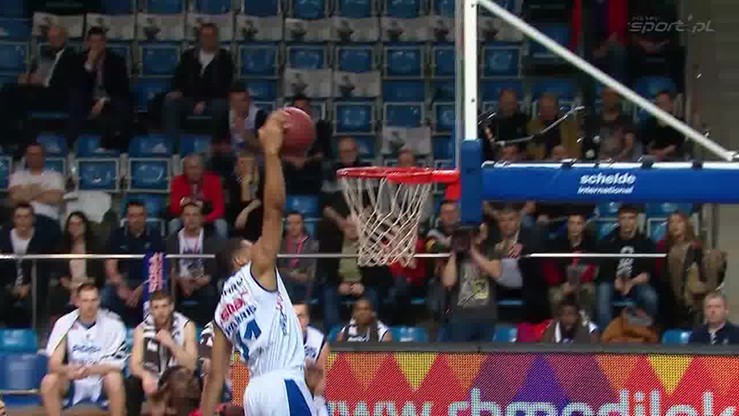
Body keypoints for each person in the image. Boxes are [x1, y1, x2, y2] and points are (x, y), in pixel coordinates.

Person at [199, 111, 316, 415]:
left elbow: (215, 378)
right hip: (282, 384)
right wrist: (271, 154)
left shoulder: (222, 311)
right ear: (239, 258)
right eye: (249, 246)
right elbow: (274, 211)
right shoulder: (257, 270)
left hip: (254, 394)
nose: (257, 247)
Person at [40, 283, 127, 416]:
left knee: (114, 378)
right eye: (85, 300)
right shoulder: (64, 323)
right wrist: (68, 370)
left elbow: (118, 365)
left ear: (99, 301)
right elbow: (53, 365)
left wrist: (90, 370)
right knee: (49, 381)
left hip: (101, 378)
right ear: (77, 302)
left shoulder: (114, 324)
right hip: (74, 378)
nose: (90, 305)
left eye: (93, 300)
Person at [126, 291, 198, 416]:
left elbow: (191, 365)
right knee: (132, 383)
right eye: (156, 307)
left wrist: (171, 344)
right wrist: (145, 376)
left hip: (177, 375)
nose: (161, 311)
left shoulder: (186, 326)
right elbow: (134, 365)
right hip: (152, 375)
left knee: (182, 382)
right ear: (151, 310)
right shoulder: (142, 329)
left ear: (171, 307)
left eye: (164, 306)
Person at [294, 302, 329, 416]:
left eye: (300, 316)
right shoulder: (278, 339)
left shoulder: (319, 340)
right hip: (285, 394)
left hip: (312, 395)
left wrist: (314, 401)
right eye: (293, 316)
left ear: (307, 319)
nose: (297, 320)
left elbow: (321, 377)